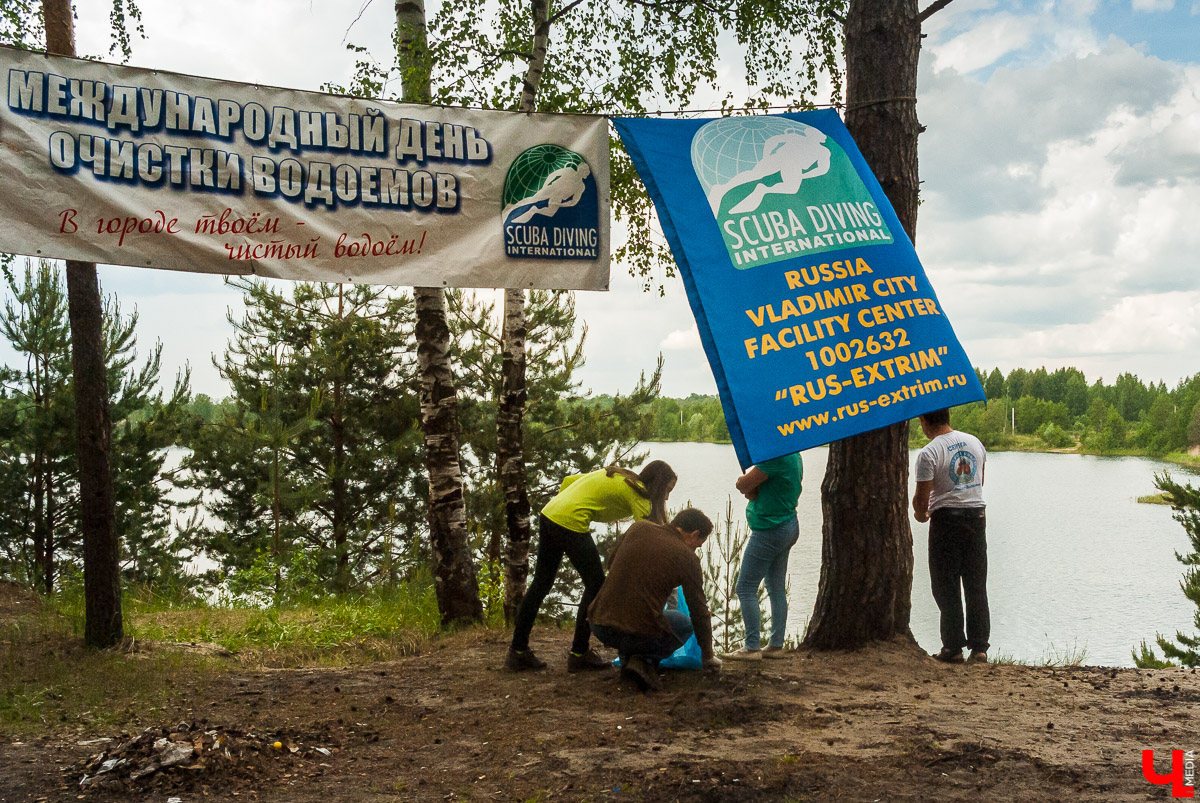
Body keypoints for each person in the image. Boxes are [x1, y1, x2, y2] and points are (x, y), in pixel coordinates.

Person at [506, 460, 677, 672]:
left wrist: (564, 508)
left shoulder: (619, 475)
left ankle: (518, 651)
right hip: (571, 521)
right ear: (659, 485)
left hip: (550, 512)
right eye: (668, 491)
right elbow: (649, 534)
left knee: (541, 583)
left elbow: (569, 481)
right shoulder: (640, 495)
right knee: (596, 585)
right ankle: (579, 653)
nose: (667, 497)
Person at [588, 508, 722, 691]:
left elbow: (611, 563)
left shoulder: (639, 528)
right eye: (698, 545)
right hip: (636, 632)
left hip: (599, 624)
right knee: (684, 623)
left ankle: (629, 660)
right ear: (695, 534)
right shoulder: (687, 557)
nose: (695, 550)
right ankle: (644, 660)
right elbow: (698, 611)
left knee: (636, 617)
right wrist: (707, 656)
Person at [912, 408, 990, 664]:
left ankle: (952, 647)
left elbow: (922, 498)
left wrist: (920, 514)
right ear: (947, 417)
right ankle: (979, 648)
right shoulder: (975, 442)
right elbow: (979, 482)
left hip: (946, 521)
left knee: (946, 585)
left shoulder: (929, 453)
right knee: (976, 583)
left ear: (924, 421)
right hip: (977, 517)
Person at [725, 452, 803, 661]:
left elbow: (743, 485)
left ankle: (751, 648)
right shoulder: (793, 454)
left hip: (770, 530)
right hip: (788, 524)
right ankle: (776, 645)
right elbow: (757, 490)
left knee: (745, 587)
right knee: (775, 586)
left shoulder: (775, 458)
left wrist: (748, 484)